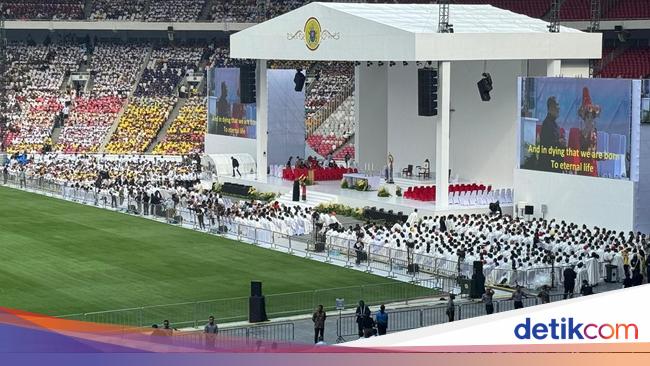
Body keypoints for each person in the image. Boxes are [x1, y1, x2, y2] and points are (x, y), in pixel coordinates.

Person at [538, 96, 564, 172]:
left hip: (555, 166)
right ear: (550, 109)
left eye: (558, 106)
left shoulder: (554, 124)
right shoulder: (547, 124)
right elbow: (547, 146)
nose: (559, 108)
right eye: (556, 106)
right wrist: (560, 142)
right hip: (549, 167)